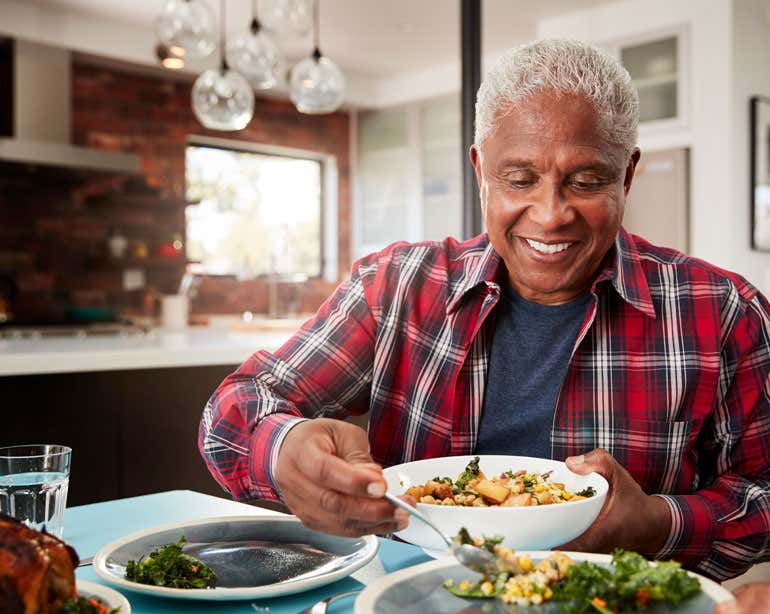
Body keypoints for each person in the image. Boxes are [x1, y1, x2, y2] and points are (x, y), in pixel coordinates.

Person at [198, 39, 770, 581]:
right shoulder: (396, 287)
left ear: (627, 173)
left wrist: (658, 523)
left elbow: (763, 493)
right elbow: (234, 412)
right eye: (519, 178)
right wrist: (283, 452)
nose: (550, 215)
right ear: (480, 172)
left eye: (587, 180)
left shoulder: (723, 313)